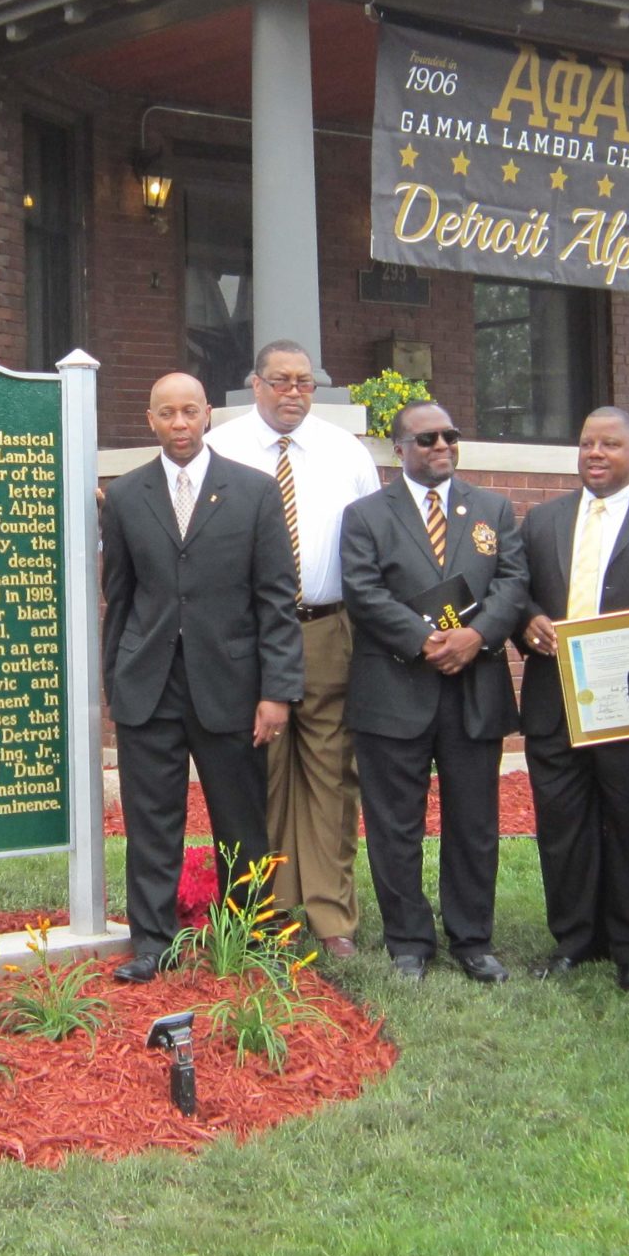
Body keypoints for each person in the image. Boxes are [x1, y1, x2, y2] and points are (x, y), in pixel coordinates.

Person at [99, 372, 302, 984]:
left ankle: (244, 935)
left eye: (190, 411)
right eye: (168, 414)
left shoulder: (255, 492)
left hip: (233, 687)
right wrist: (117, 679)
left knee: (239, 820)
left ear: (208, 414)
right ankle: (151, 942)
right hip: (150, 683)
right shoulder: (127, 496)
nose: (180, 424)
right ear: (151, 419)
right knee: (151, 819)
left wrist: (277, 692)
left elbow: (276, 601)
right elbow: (120, 596)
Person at [341, 400, 531, 983]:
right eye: (426, 439)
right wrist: (426, 642)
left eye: (450, 435)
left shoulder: (492, 509)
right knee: (395, 825)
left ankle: (473, 940)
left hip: (474, 688)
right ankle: (408, 942)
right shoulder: (366, 514)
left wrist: (475, 636)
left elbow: (515, 582)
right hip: (394, 688)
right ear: (397, 448)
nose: (441, 446)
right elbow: (362, 590)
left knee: (474, 823)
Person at [204, 340, 381, 958]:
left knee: (332, 776)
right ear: (254, 385)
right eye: (280, 381)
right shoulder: (219, 449)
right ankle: (272, 909)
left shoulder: (345, 452)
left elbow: (374, 542)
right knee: (266, 776)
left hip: (329, 628)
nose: (292, 393)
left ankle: (332, 918)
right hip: (250, 634)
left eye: (304, 382)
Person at [517, 406, 629, 992]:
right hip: (556, 697)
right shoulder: (544, 521)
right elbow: (516, 590)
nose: (596, 453)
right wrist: (529, 620)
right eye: (587, 443)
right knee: (562, 825)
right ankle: (573, 939)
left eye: (610, 445)